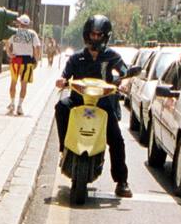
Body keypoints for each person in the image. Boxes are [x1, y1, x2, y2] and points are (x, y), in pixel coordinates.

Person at [55, 14, 130, 198]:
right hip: (78, 101)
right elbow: (65, 75)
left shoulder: (112, 56)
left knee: (117, 140)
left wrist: (124, 82)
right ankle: (64, 146)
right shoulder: (77, 58)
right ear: (86, 35)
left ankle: (122, 181)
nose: (95, 38)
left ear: (105, 36)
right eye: (92, 34)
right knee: (61, 106)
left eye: (99, 35)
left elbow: (125, 72)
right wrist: (62, 80)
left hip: (103, 104)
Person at [5, 13, 41, 116]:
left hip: (16, 59)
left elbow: (7, 42)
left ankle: (12, 103)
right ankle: (20, 106)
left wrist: (9, 53)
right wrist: (36, 59)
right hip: (27, 61)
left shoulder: (14, 32)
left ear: (20, 23)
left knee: (13, 82)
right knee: (24, 84)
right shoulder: (32, 34)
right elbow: (37, 47)